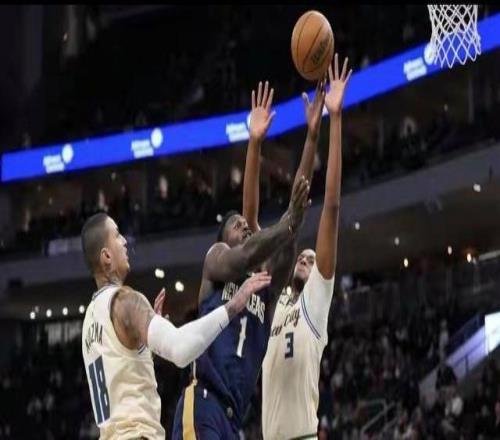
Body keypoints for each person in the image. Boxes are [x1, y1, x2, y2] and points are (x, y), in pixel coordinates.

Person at [171, 80, 319, 439]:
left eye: (246, 224)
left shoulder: (266, 287)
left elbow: (293, 216)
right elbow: (253, 245)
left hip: (233, 420)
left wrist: (312, 138)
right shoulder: (217, 261)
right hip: (204, 401)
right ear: (224, 241)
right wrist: (253, 145)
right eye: (236, 225)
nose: (244, 225)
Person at [80, 212, 271, 439]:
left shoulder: (91, 318)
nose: (124, 241)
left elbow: (121, 373)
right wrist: (232, 307)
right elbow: (181, 350)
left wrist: (146, 348)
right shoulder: (126, 302)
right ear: (106, 256)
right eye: (117, 235)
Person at [260, 54, 352, 439]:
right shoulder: (279, 298)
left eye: (311, 259)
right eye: (303, 255)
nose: (304, 257)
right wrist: (311, 137)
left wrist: (335, 120)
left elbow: (330, 207)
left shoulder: (316, 299)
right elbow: (294, 211)